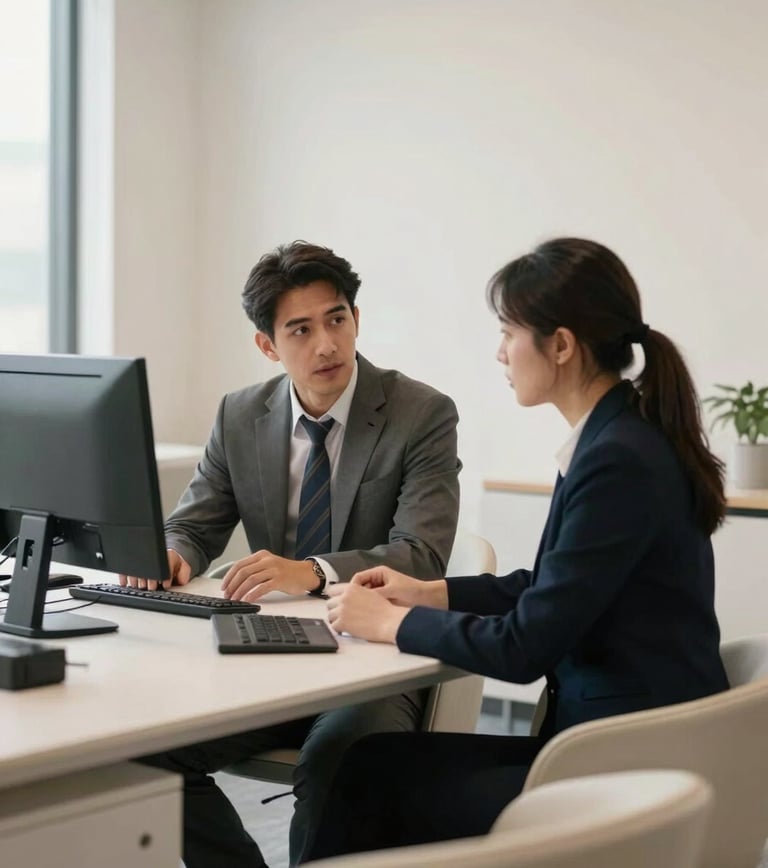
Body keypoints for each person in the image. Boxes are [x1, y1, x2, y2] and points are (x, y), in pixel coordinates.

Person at [305, 236, 730, 861]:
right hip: (622, 739)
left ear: (561, 346)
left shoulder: (616, 458)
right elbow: (549, 588)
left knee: (367, 781)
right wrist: (430, 592)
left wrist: (391, 623)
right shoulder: (618, 436)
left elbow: (524, 646)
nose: (500, 352)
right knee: (367, 765)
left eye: (508, 332)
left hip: (627, 762)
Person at [135, 241, 461, 868]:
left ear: (356, 319)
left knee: (340, 760)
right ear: (268, 345)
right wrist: (174, 554)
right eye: (301, 330)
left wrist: (312, 572)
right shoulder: (240, 414)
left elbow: (421, 555)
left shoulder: (421, 413)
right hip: (270, 655)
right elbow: (194, 525)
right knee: (143, 754)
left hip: (373, 660)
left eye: (337, 319)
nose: (327, 345)